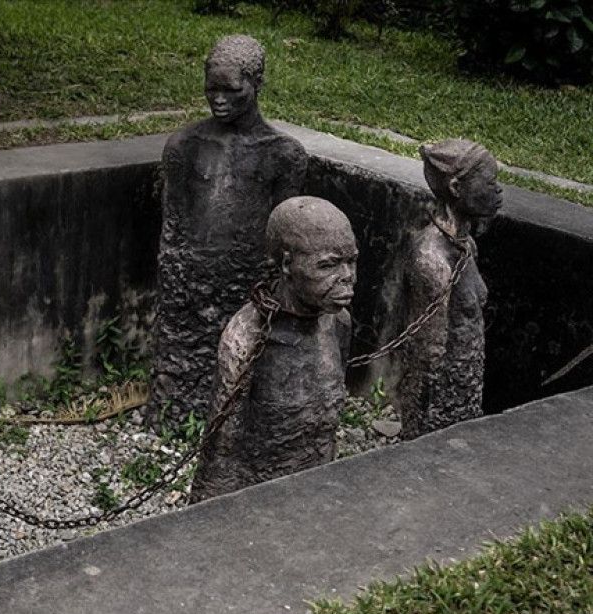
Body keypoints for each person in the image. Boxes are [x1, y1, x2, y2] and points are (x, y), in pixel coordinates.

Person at [148, 34, 308, 430]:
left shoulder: (283, 154)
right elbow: (173, 227)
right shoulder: (184, 146)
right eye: (211, 89)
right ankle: (175, 418)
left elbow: (283, 237)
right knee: (182, 372)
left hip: (248, 284)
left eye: (231, 91)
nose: (218, 100)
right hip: (191, 282)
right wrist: (178, 284)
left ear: (256, 84)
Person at [192, 196, 357, 500]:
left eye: (352, 261)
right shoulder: (246, 340)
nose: (348, 278)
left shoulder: (338, 323)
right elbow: (221, 454)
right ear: (286, 264)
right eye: (328, 265)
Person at [398, 139, 502, 439]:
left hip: (466, 383)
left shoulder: (466, 245)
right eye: (490, 183)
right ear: (456, 188)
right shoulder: (431, 260)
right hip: (440, 398)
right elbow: (427, 354)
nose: (498, 190)